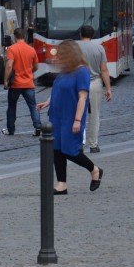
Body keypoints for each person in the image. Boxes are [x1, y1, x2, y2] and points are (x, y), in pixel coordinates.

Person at [37, 39, 103, 194]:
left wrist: (78, 120)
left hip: (71, 117)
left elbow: (82, 97)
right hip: (57, 116)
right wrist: (47, 102)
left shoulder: (82, 72)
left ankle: (94, 170)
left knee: (70, 150)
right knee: (57, 149)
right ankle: (62, 184)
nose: (58, 58)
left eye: (62, 55)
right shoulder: (64, 73)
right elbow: (58, 91)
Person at [78, 24, 112, 153]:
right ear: (92, 35)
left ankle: (79, 143)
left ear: (80, 34)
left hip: (78, 84)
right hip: (95, 83)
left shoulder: (75, 48)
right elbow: (104, 70)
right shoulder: (99, 48)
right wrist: (108, 88)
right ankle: (93, 144)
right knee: (94, 115)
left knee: (78, 114)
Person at [2, 27, 41, 137]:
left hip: (15, 83)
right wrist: (29, 71)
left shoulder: (12, 49)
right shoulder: (31, 49)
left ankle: (11, 129)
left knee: (12, 106)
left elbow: (9, 65)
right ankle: (38, 127)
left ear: (15, 36)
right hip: (28, 83)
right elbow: (36, 67)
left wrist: (5, 80)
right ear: (25, 36)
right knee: (33, 106)